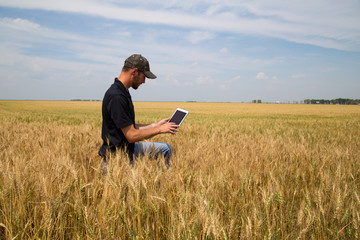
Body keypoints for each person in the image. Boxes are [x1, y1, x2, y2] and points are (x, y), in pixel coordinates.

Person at [99, 54, 179, 170]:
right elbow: (131, 135)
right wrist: (160, 129)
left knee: (165, 149)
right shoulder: (117, 96)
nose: (144, 81)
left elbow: (128, 126)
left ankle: (164, 182)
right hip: (117, 158)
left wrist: (156, 125)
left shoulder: (123, 91)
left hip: (127, 148)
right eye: (144, 76)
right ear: (135, 72)